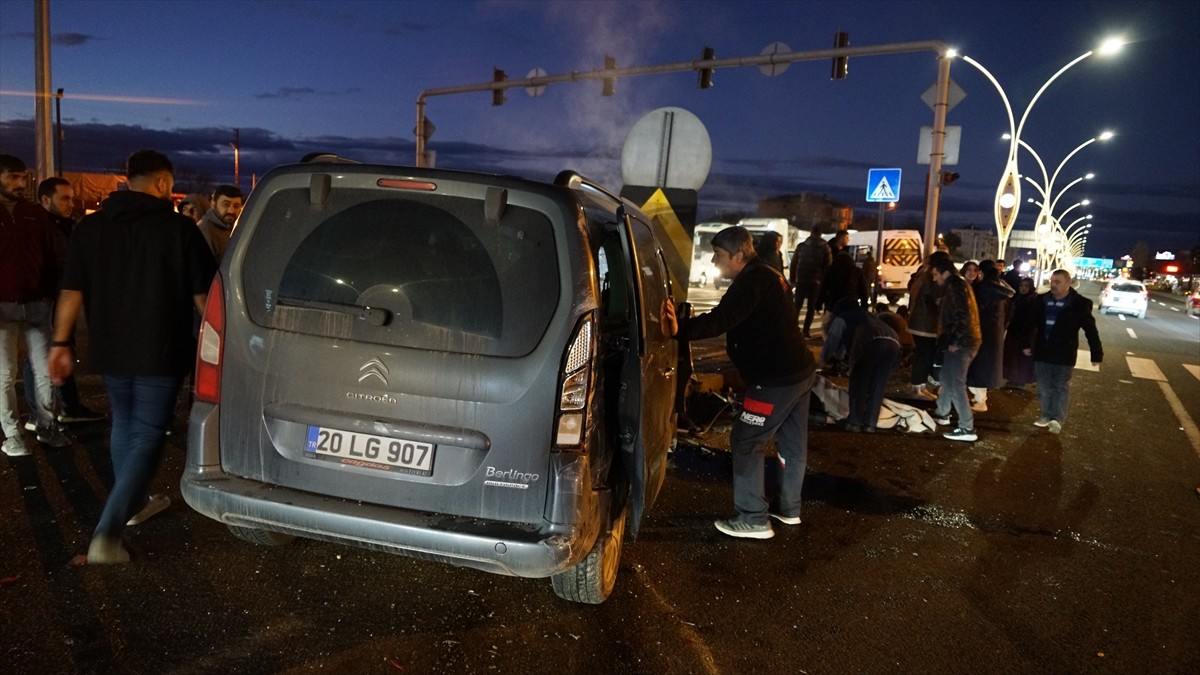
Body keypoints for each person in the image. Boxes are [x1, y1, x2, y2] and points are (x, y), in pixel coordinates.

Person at [49, 149, 216, 563]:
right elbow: (204, 299)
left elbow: (71, 290)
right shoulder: (180, 230)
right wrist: (224, 344)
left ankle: (134, 501)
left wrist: (60, 343)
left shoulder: (90, 228)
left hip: (109, 348)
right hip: (159, 349)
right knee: (147, 433)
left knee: (124, 423)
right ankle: (107, 532)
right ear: (161, 183)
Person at [660, 226, 816, 540]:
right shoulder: (769, 274)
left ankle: (753, 518)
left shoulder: (752, 281)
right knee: (792, 444)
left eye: (719, 256)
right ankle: (789, 509)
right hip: (799, 373)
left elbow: (721, 319)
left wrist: (679, 330)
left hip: (773, 381)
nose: (715, 262)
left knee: (746, 440)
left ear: (738, 255)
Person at [0, 154, 69, 457]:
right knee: (4, 374)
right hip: (2, 306)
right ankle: (12, 434)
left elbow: (50, 256)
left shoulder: (34, 213)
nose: (19, 183)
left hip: (37, 304)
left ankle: (46, 425)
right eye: (12, 177)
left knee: (43, 370)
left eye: (22, 177)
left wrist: (50, 294)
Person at [25, 178, 104, 424]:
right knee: (40, 354)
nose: (71, 203)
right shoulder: (39, 227)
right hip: (45, 298)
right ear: (46, 200)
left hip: (60, 297)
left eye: (71, 197)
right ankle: (39, 411)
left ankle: (68, 406)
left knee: (62, 349)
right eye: (65, 198)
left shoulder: (66, 226)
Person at [1026, 269, 1102, 434]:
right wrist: (1026, 344)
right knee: (1043, 387)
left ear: (1068, 284)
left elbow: (1090, 330)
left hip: (1064, 353)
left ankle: (1057, 419)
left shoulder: (1080, 303)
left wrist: (1096, 354)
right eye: (1052, 281)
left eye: (1058, 282)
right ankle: (1046, 415)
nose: (1053, 285)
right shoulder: (1041, 301)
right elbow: (1031, 324)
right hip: (1043, 351)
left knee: (1061, 386)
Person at [820, 299, 901, 433]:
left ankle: (854, 421)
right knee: (878, 384)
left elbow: (833, 341)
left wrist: (824, 361)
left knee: (859, 382)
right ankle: (870, 424)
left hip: (869, 341)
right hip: (893, 342)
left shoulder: (842, 318)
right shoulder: (867, 315)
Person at [930, 255, 981, 442]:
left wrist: (956, 340)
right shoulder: (957, 284)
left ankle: (967, 427)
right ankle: (942, 412)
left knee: (955, 384)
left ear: (945, 272)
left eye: (936, 274)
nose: (934, 279)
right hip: (963, 340)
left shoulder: (956, 286)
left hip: (961, 342)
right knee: (947, 379)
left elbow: (963, 315)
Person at [966, 261, 1014, 411]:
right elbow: (1010, 311)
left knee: (977, 367)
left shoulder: (984, 288)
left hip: (981, 331)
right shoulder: (1002, 287)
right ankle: (980, 399)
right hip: (995, 332)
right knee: (984, 366)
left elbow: (976, 311)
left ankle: (980, 400)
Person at [906, 251, 949, 400]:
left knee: (923, 355)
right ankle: (917, 389)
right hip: (925, 324)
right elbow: (936, 298)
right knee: (923, 355)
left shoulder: (922, 273)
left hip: (918, 322)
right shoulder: (931, 276)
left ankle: (920, 387)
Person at [788, 224, 832, 339]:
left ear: (811, 232)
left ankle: (792, 329)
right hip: (815, 281)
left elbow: (794, 263)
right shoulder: (825, 247)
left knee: (797, 306)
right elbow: (828, 266)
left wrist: (793, 279)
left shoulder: (802, 246)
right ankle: (806, 331)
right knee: (811, 307)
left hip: (801, 279)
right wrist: (823, 281)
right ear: (820, 233)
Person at [1002, 277, 1038, 389]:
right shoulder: (1018, 298)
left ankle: (1020, 380)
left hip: (1023, 332)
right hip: (1014, 331)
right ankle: (1014, 379)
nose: (1023, 288)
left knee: (1021, 358)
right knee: (1013, 357)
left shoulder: (1031, 301)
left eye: (1026, 286)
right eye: (1022, 286)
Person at [820, 250, 868, 332]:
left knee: (827, 326)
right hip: (851, 303)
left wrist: (819, 303)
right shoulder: (857, 271)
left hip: (833, 303)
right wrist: (864, 305)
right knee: (850, 327)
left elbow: (824, 288)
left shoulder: (832, 270)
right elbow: (863, 290)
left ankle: (831, 342)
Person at [196, 184, 243, 262]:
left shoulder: (236, 228)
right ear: (213, 204)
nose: (231, 210)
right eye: (226, 205)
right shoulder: (204, 232)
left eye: (236, 206)